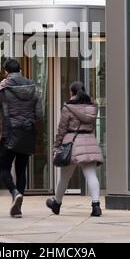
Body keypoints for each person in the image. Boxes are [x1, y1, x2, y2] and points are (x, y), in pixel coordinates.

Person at [0, 59, 42, 218]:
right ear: (21, 70)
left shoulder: (4, 88)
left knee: (4, 168)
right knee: (21, 169)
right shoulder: (33, 88)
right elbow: (40, 114)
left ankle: (15, 192)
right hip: (27, 133)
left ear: (5, 72)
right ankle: (18, 207)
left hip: (9, 133)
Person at [46, 82, 104, 217]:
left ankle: (57, 203)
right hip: (89, 141)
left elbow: (62, 129)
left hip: (71, 143)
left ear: (71, 93)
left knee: (65, 177)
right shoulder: (92, 107)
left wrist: (56, 146)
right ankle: (96, 206)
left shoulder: (68, 108)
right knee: (91, 175)